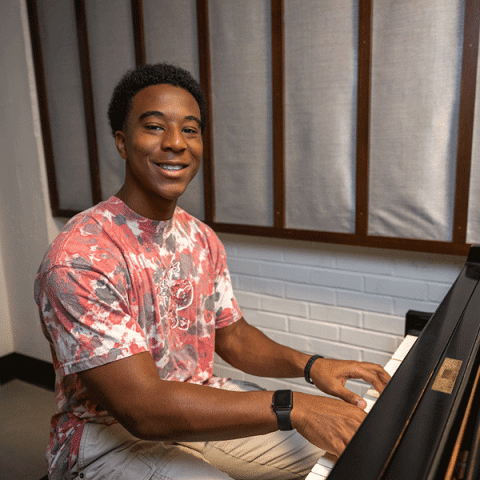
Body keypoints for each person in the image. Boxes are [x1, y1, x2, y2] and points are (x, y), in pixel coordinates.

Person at [34, 62, 390, 480]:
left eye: (190, 129)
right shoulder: (80, 256)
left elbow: (233, 336)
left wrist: (312, 365)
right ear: (122, 142)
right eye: (154, 127)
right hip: (110, 435)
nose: (175, 144)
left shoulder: (199, 237)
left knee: (339, 444)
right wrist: (292, 404)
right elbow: (143, 409)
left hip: (194, 404)